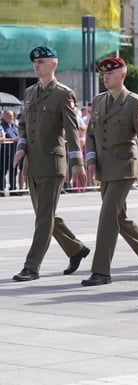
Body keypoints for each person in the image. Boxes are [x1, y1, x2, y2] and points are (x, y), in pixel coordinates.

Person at [81, 57, 138, 286]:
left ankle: (101, 271)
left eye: (111, 73)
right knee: (119, 217)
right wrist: (90, 159)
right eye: (104, 74)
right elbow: (90, 134)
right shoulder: (98, 101)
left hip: (124, 167)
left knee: (107, 216)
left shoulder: (135, 102)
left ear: (123, 75)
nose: (106, 77)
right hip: (104, 168)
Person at [12, 46, 89, 281]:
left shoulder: (63, 94)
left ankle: (31, 266)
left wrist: (77, 165)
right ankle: (76, 249)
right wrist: (21, 149)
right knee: (46, 215)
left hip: (52, 163)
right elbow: (24, 126)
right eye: (35, 62)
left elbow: (72, 131)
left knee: (43, 218)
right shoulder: (30, 92)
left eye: (42, 61)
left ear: (53, 64)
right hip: (33, 164)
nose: (37, 65)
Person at [1, 110, 20, 195]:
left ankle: (13, 189)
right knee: (2, 171)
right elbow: (2, 138)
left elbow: (19, 135)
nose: (11, 118)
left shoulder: (14, 126)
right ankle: (1, 189)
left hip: (14, 152)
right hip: (4, 152)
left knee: (14, 171)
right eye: (9, 116)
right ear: (4, 117)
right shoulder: (2, 126)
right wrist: (13, 139)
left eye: (12, 116)